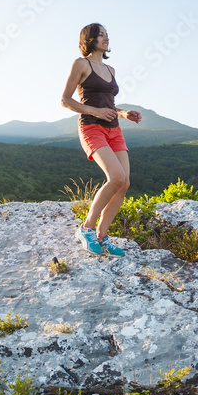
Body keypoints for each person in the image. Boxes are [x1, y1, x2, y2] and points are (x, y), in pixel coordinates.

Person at [60, 23, 141, 256]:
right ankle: (86, 227)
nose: (106, 38)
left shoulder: (111, 70)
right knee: (115, 177)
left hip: (114, 129)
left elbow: (109, 104)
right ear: (90, 39)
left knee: (124, 183)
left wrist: (124, 114)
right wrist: (94, 112)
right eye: (101, 34)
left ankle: (103, 236)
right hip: (91, 127)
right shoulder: (80, 64)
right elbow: (65, 100)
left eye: (107, 34)